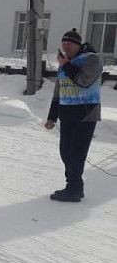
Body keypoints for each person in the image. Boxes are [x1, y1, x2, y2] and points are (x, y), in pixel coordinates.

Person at [45, 28, 102, 202]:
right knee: (65, 153)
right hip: (67, 115)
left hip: (85, 114)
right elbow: (58, 92)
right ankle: (76, 187)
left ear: (78, 45)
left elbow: (85, 81)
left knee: (76, 154)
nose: (66, 46)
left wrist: (66, 65)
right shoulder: (65, 63)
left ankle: (74, 188)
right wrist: (52, 117)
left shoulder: (92, 59)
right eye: (63, 43)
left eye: (69, 43)